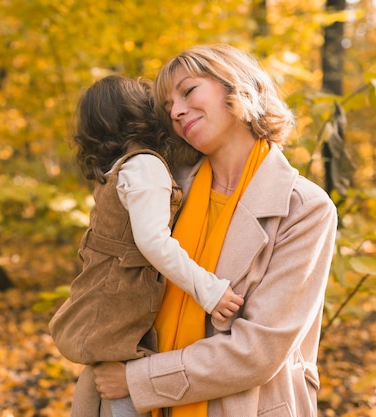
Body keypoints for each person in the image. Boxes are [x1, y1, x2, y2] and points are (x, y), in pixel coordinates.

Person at [80, 45, 338, 417]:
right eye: (167, 107)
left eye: (187, 91)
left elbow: (258, 351)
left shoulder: (305, 208)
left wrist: (139, 381)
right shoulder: (163, 185)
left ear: (235, 87)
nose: (177, 111)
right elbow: (107, 281)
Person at [48, 74, 245, 417]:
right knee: (123, 398)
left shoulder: (121, 168)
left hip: (107, 305)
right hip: (119, 310)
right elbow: (154, 241)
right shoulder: (145, 165)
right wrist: (209, 291)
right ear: (139, 113)